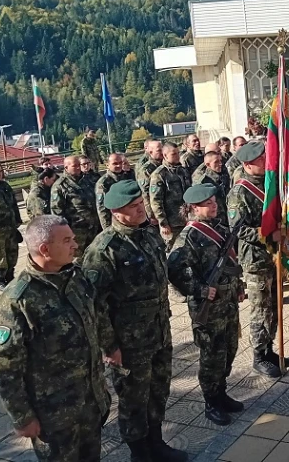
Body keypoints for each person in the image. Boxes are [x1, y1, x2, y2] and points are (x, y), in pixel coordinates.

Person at [82, 181, 187, 462]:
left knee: (158, 390)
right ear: (116, 212)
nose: (141, 209)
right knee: (133, 399)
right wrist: (109, 346)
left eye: (141, 203)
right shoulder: (104, 249)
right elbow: (95, 304)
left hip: (159, 332)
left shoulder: (149, 235)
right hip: (129, 343)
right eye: (133, 207)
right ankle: (140, 454)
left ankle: (156, 443)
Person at [0, 215, 111, 461]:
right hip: (54, 414)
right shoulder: (18, 300)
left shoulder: (76, 277)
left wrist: (111, 347)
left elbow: (96, 317)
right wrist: (22, 416)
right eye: (67, 240)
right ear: (45, 249)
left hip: (90, 401)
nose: (75, 245)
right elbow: (6, 366)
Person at [166, 184, 245, 425]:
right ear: (193, 208)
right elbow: (174, 270)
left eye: (214, 201)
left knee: (229, 350)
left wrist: (238, 286)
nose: (214, 206)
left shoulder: (220, 228)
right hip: (208, 308)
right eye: (207, 204)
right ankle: (211, 402)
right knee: (211, 355)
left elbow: (231, 262)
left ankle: (221, 393)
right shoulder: (189, 237)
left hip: (228, 302)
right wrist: (199, 289)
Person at [227, 141, 289, 377]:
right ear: (247, 165)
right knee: (260, 308)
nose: (266, 162)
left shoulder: (269, 184)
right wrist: (266, 233)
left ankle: (270, 348)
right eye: (260, 160)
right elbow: (237, 229)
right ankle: (258, 354)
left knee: (274, 305)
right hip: (255, 259)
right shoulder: (239, 192)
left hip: (273, 255)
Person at [50, 156, 101, 260]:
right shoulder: (60, 186)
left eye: (79, 165)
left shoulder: (88, 180)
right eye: (75, 166)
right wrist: (65, 233)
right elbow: (57, 213)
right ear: (66, 167)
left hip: (95, 229)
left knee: (96, 258)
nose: (78, 168)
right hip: (77, 233)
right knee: (77, 261)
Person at [150, 142, 191, 249]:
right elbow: (156, 201)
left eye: (178, 153)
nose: (178, 156)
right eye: (174, 154)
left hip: (187, 219)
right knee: (173, 251)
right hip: (172, 223)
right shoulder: (159, 175)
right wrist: (163, 223)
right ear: (165, 155)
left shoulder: (183, 171)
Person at [192, 150, 230, 225]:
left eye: (220, 161)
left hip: (226, 217)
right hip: (213, 221)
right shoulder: (203, 182)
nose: (220, 164)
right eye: (216, 162)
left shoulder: (223, 176)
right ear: (208, 165)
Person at [95, 153, 127, 229]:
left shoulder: (127, 176)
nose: (119, 166)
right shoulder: (103, 183)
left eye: (120, 163)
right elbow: (102, 209)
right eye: (115, 164)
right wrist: (107, 229)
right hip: (115, 223)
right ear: (107, 165)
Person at [136, 140, 163, 221]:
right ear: (150, 152)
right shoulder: (146, 170)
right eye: (159, 150)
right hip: (155, 212)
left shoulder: (164, 165)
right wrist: (151, 214)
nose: (162, 152)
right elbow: (145, 194)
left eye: (163, 149)